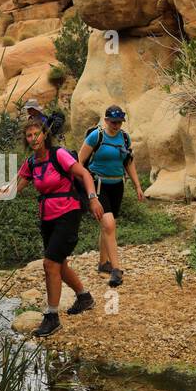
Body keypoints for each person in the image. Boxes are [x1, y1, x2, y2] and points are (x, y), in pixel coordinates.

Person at [0, 115, 103, 338]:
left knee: (49, 264)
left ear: (45, 135)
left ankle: (52, 317)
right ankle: (84, 297)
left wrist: (93, 198)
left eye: (37, 134)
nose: (33, 138)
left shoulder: (59, 155)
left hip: (68, 212)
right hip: (47, 217)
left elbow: (83, 173)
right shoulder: (31, 163)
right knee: (59, 264)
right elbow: (12, 190)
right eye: (29, 135)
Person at [78, 104, 145, 287]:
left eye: (119, 122)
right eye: (113, 122)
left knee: (107, 227)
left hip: (117, 185)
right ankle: (116, 270)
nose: (116, 125)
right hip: (99, 185)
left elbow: (128, 162)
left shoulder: (124, 137)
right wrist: (86, 189)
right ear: (106, 120)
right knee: (109, 224)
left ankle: (103, 264)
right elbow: (80, 162)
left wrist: (138, 186)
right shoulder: (96, 136)